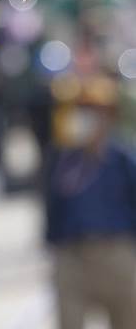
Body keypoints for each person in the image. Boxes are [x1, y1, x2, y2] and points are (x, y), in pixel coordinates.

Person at [44, 73, 136, 329]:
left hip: (117, 252)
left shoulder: (122, 158)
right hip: (72, 254)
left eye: (94, 111)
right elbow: (51, 209)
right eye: (80, 110)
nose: (86, 117)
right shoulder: (62, 159)